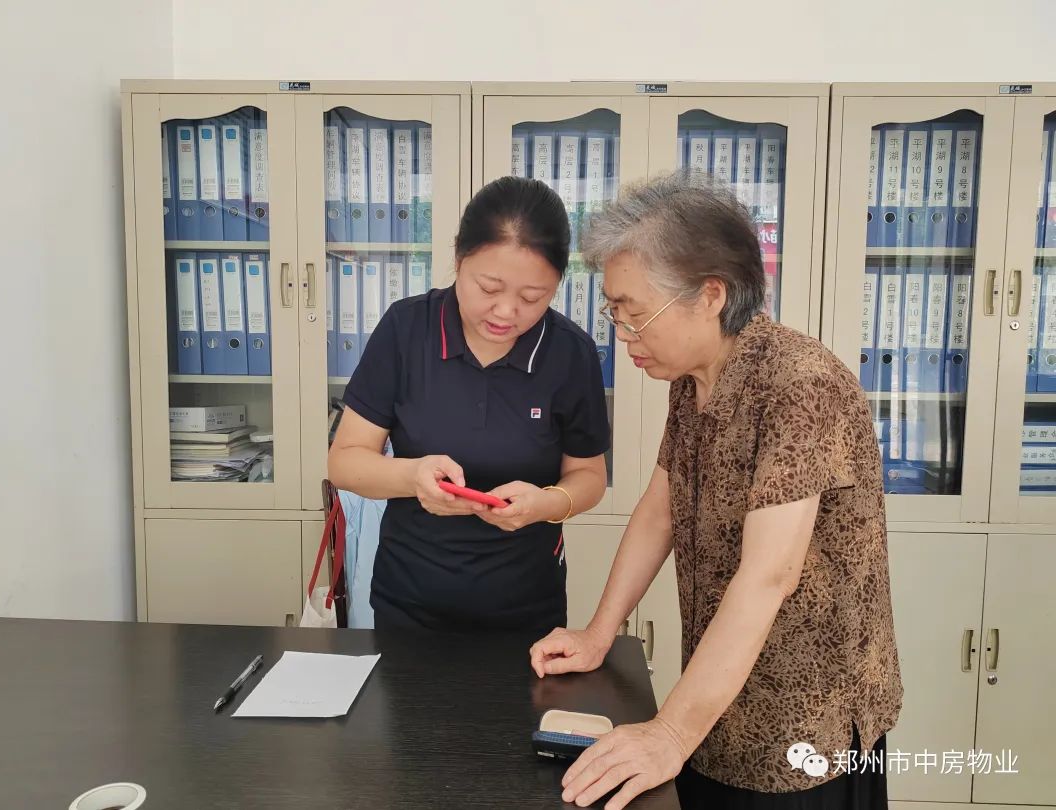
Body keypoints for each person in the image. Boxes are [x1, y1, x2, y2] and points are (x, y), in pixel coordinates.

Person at [529, 171, 904, 810]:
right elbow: (660, 510)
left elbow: (769, 575)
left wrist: (670, 733)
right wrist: (599, 632)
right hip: (719, 703)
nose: (624, 335)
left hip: (805, 723)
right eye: (615, 313)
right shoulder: (694, 378)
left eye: (635, 314)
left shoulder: (800, 386)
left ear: (709, 296)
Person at [328, 176, 610, 634]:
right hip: (409, 602)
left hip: (527, 606)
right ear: (458, 258)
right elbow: (345, 461)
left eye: (532, 297)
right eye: (489, 288)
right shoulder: (406, 330)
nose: (506, 312)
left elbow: (589, 477)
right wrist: (413, 477)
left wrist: (545, 504)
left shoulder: (569, 353)